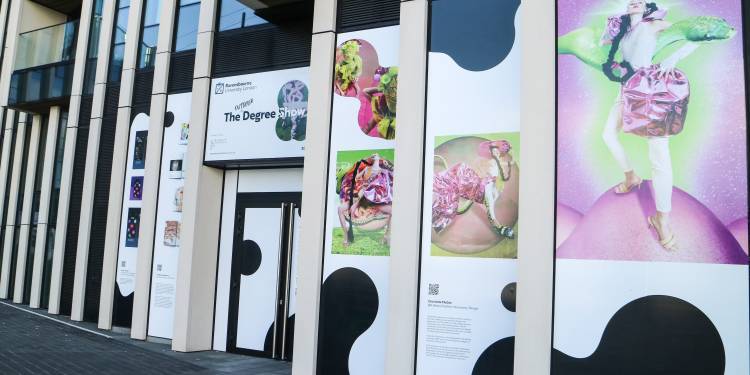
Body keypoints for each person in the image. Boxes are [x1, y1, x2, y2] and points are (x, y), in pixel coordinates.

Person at [600, 0, 697, 250]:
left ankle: (662, 219)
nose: (635, 1)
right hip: (625, 91)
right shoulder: (623, 29)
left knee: (659, 155)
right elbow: (607, 53)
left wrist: (672, 60)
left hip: (648, 93)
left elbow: (694, 33)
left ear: (647, 4)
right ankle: (631, 176)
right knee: (608, 134)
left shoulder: (652, 24)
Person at [432, 140, 515, 238]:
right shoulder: (488, 175)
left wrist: (500, 228)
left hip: (469, 185)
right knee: (460, 170)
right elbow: (482, 149)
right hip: (469, 181)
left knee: (457, 177)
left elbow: (492, 216)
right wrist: (495, 146)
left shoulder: (491, 190)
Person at [337, 154, 394, 246]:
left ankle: (387, 235)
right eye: (372, 158)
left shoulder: (379, 171)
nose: (372, 159)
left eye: (375, 159)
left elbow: (374, 181)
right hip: (360, 196)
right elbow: (357, 178)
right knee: (340, 209)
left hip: (370, 199)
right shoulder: (366, 169)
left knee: (392, 211)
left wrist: (355, 204)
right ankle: (346, 235)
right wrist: (358, 172)